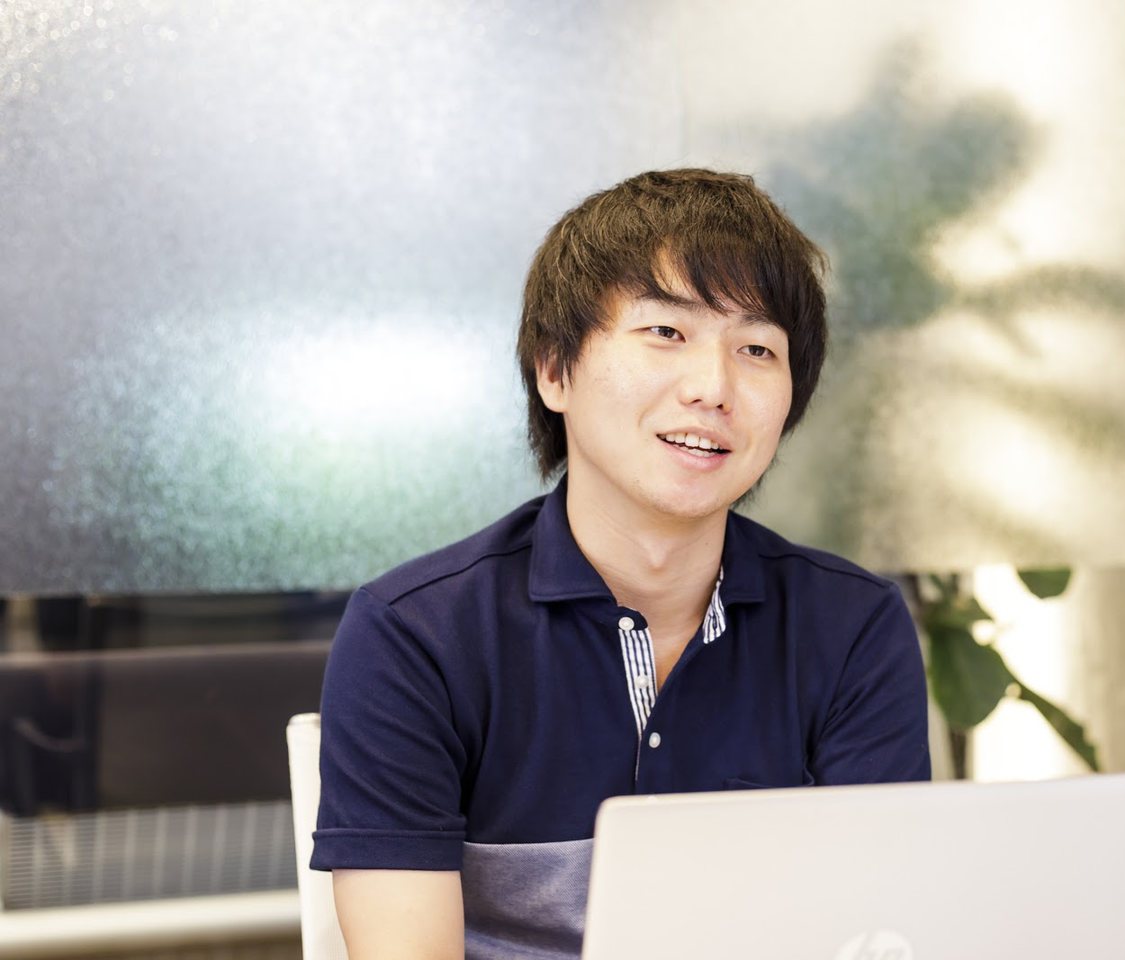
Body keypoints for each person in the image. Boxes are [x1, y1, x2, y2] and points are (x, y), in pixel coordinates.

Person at [310, 168, 931, 960]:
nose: (713, 387)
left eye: (756, 348)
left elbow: (878, 928)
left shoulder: (853, 628)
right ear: (554, 370)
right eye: (666, 332)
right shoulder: (415, 635)